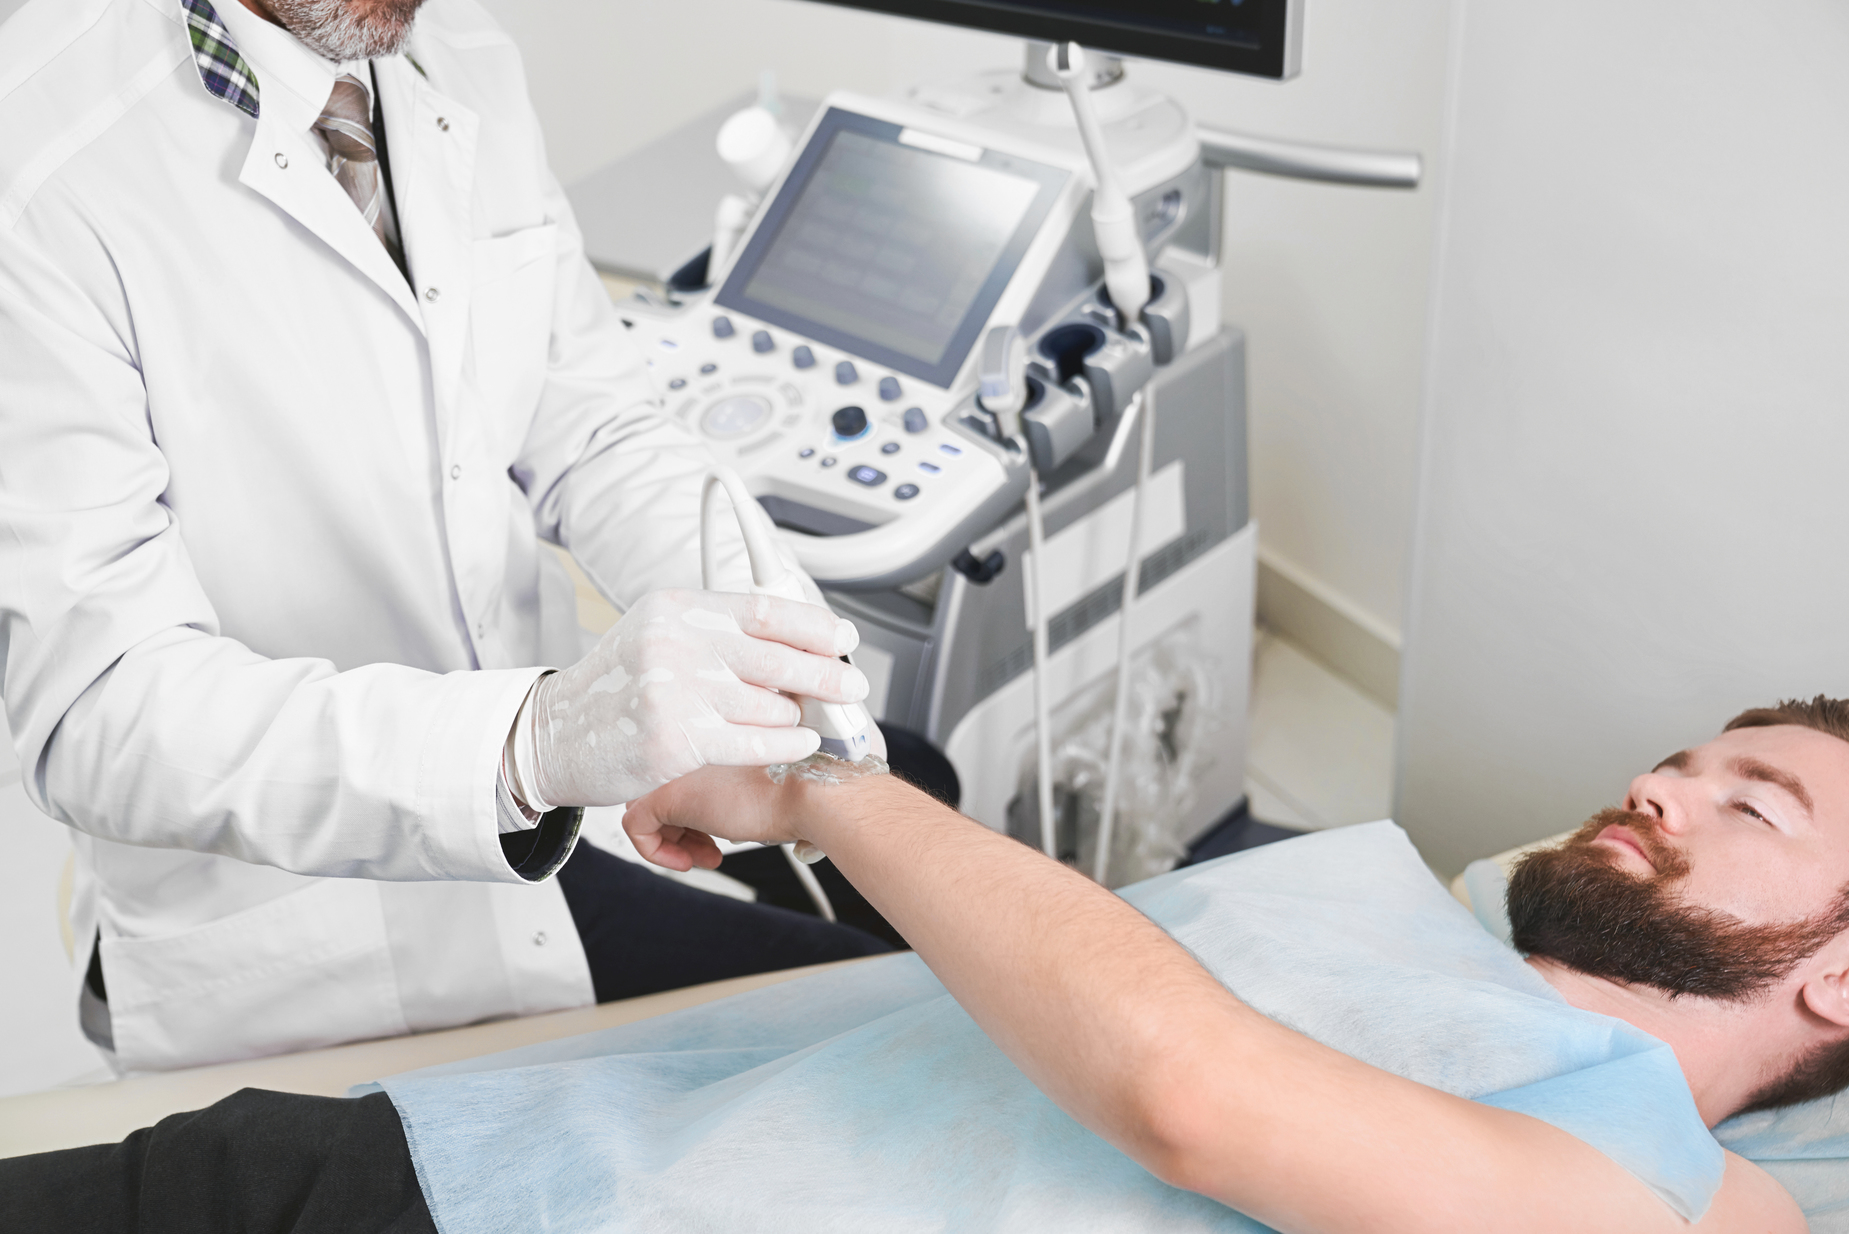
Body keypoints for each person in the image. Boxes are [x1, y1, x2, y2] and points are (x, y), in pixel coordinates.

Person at [7, 697, 1843, 1232]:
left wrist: (825, 787)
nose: (1657, 782)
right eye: (1681, 753)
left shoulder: (1624, 1173)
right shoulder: (1409, 906)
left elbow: (1187, 1093)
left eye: (1746, 800)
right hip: (419, 1162)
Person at [0, 0, 891, 1075]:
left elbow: (596, 429)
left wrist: (787, 653)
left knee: (910, 830)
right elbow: (99, 709)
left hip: (546, 813)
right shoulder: (41, 161)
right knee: (881, 1024)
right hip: (322, 919)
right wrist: (531, 739)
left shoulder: (458, 60)